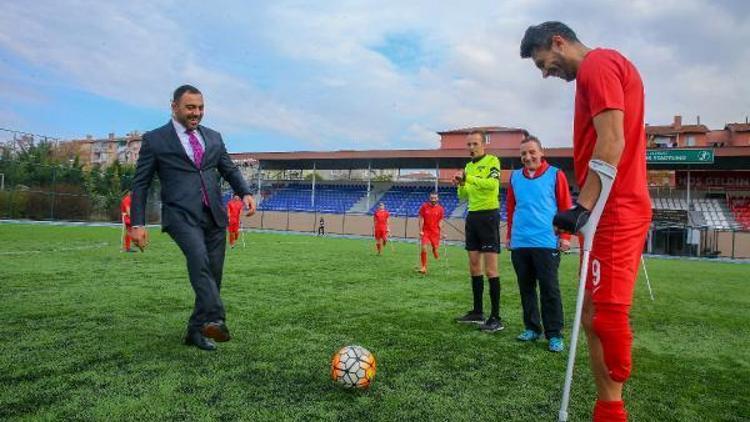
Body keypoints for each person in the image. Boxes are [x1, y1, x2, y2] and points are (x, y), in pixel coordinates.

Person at [521, 22, 652, 421]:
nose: (547, 74)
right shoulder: (601, 69)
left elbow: (612, 140)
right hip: (607, 212)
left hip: (612, 211)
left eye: (545, 63)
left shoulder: (597, 64)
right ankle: (607, 408)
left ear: (558, 42)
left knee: (606, 320)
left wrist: (583, 206)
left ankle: (612, 411)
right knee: (592, 316)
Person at [129, 84, 256, 352]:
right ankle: (215, 318)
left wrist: (244, 192)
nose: (196, 113)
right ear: (174, 106)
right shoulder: (156, 140)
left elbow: (228, 168)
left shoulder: (213, 137)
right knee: (199, 260)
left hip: (214, 215)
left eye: (200, 108)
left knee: (213, 273)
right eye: (190, 107)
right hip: (180, 215)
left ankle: (195, 332)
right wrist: (136, 224)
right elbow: (140, 184)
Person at [506, 136, 572, 352]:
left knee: (550, 289)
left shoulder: (556, 174)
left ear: (541, 153)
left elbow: (565, 207)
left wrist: (565, 237)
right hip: (520, 242)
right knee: (526, 288)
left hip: (546, 241)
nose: (528, 157)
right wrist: (509, 236)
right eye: (524, 153)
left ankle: (554, 334)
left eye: (532, 152)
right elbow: (510, 209)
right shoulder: (515, 177)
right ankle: (532, 328)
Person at [453, 131, 504, 333]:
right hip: (472, 216)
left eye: (475, 143)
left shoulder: (493, 161)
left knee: (491, 269)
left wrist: (469, 178)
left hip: (489, 215)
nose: (471, 147)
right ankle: (477, 312)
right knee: (474, 267)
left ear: (483, 144)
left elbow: (492, 185)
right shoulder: (468, 166)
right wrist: (460, 184)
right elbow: (463, 195)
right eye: (469, 144)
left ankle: (496, 317)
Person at [417, 191, 445, 274]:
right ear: (429, 198)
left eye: (435, 198)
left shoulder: (440, 209)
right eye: (432, 198)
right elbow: (421, 218)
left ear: (438, 198)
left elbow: (441, 220)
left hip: (435, 232)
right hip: (425, 231)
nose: (433, 199)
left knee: (435, 247)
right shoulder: (424, 207)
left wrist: (442, 231)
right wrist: (420, 230)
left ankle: (434, 250)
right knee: (424, 248)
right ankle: (423, 267)